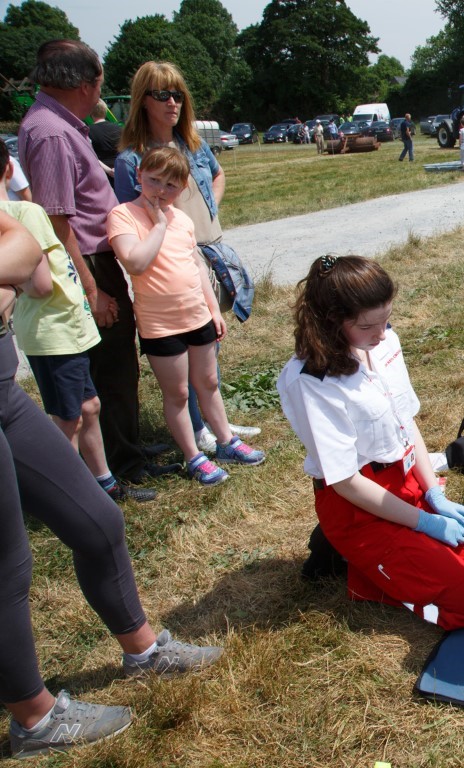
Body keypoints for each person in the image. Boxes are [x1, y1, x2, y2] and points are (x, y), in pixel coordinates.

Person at [0, 210, 222, 760]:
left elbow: (24, 246)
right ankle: (35, 719)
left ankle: (144, 652)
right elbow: (19, 263)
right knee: (7, 565)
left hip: (5, 396)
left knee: (98, 520)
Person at [278, 255, 464, 629]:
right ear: (332, 322)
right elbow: (345, 481)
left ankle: (379, 564)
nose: (382, 334)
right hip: (359, 506)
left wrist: (435, 495)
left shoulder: (384, 343)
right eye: (368, 325)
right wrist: (425, 523)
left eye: (386, 319)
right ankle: (364, 570)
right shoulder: (311, 381)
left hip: (405, 483)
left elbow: (405, 422)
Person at [19, 39, 176, 486]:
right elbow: (56, 220)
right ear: (86, 84)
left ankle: (127, 448)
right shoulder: (51, 132)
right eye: (101, 83)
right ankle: (121, 466)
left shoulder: (58, 124)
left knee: (116, 365)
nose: (100, 93)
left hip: (94, 258)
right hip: (87, 261)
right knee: (108, 368)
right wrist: (92, 289)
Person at [114, 60, 260, 457]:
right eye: (162, 94)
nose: (172, 102)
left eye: (178, 94)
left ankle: (215, 422)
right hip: (172, 266)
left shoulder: (193, 143)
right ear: (142, 101)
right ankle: (197, 429)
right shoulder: (131, 160)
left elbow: (218, 174)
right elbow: (132, 219)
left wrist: (207, 213)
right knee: (184, 358)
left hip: (208, 252)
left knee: (209, 346)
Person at [108, 147, 266, 485]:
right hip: (160, 325)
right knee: (178, 393)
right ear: (139, 176)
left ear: (182, 188)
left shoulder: (182, 219)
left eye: (171, 185)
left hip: (197, 316)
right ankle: (194, 456)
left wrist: (213, 309)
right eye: (154, 180)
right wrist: (159, 225)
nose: (161, 190)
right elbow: (135, 262)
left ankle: (226, 442)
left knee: (208, 383)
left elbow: (195, 265)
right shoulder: (123, 215)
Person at [2, 187, 155, 503]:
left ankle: (103, 483)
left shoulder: (10, 217)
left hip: (61, 331)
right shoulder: (26, 212)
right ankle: (70, 497)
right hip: (55, 332)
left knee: (89, 406)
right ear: (7, 171)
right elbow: (42, 285)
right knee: (69, 419)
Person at [87, 98, 121, 182]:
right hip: (120, 173)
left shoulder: (87, 132)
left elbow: (90, 156)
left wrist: (108, 171)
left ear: (91, 112)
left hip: (100, 176)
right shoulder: (119, 128)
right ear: (106, 111)